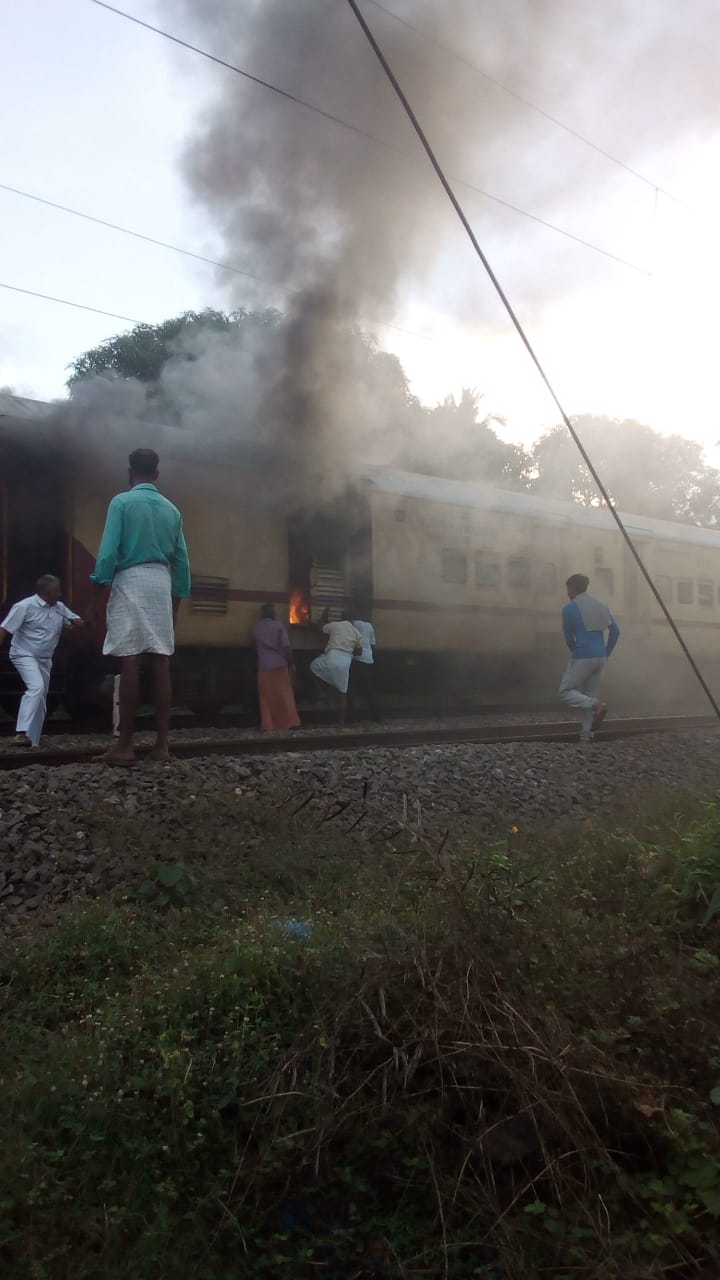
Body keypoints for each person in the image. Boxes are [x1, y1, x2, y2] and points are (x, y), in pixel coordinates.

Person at [89, 448, 191, 766]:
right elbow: (182, 561)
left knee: (130, 659)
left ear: (130, 471)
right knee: (161, 660)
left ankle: (125, 746)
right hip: (161, 582)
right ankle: (162, 745)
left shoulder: (121, 502)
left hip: (130, 579)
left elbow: (107, 554)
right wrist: (175, 602)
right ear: (157, 474)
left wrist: (96, 597)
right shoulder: (172, 510)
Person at [0, 574, 83, 748]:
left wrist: (80, 623)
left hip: (45, 659)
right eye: (56, 590)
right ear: (45, 592)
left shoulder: (59, 607)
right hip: (24, 654)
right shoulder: (24, 606)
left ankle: (33, 742)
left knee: (41, 699)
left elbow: (74, 621)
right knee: (36, 688)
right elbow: (4, 629)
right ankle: (21, 733)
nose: (59, 594)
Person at [559, 573, 620, 742]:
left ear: (573, 588)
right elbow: (616, 631)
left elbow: (569, 638)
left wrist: (576, 652)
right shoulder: (602, 605)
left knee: (566, 691)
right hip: (600, 657)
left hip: (583, 656)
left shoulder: (569, 609)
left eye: (568, 589)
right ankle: (586, 736)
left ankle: (597, 705)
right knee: (587, 695)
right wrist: (606, 652)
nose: (568, 593)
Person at [252, 603, 301, 732]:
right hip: (279, 665)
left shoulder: (256, 628)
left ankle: (268, 725)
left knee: (266, 696)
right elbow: (286, 647)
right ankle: (290, 723)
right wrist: (291, 663)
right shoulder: (279, 626)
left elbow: (254, 646)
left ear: (262, 615)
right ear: (273, 614)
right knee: (284, 694)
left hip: (263, 666)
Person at [310, 609, 362, 725]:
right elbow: (359, 652)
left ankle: (320, 692)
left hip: (332, 656)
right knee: (342, 692)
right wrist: (350, 653)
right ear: (352, 620)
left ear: (342, 617)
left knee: (313, 666)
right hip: (346, 661)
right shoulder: (356, 632)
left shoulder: (335, 625)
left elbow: (319, 628)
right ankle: (341, 721)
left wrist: (323, 616)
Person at [347, 607, 381, 723]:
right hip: (368, 660)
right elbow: (372, 645)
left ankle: (350, 717)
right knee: (370, 690)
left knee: (351, 689)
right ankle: (377, 716)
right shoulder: (369, 626)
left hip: (355, 660)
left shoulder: (352, 624)